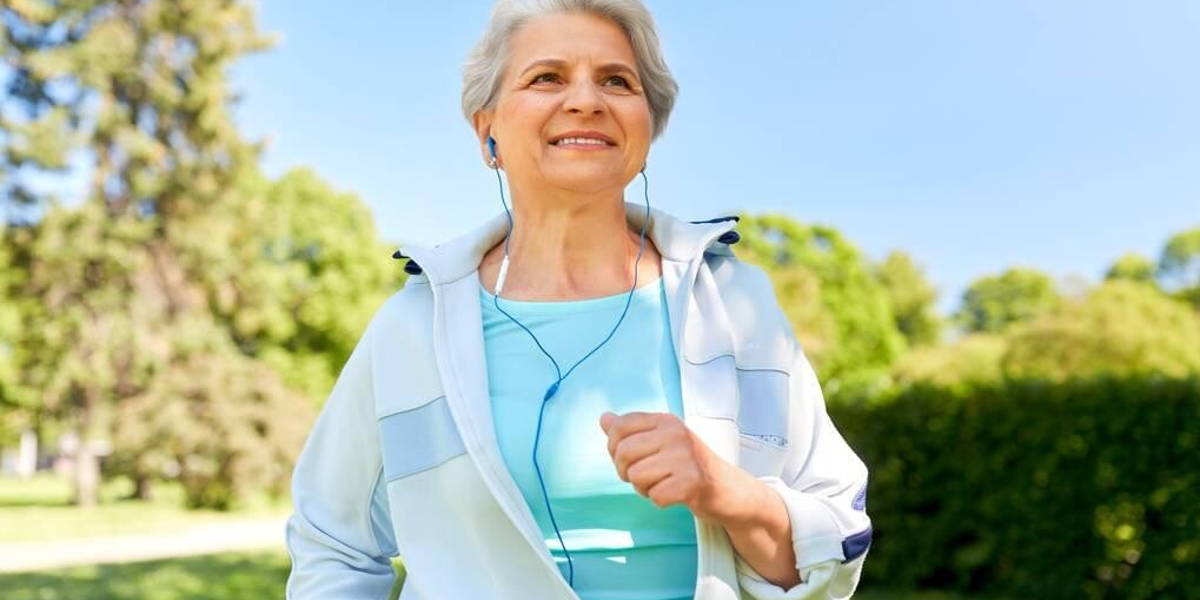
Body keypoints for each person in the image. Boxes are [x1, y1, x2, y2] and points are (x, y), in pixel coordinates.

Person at [284, 1, 872, 599]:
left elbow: (834, 550)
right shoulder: (414, 326)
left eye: (617, 81)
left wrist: (728, 493)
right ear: (486, 128)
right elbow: (333, 544)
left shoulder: (733, 303)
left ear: (647, 126)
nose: (587, 100)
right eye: (547, 77)